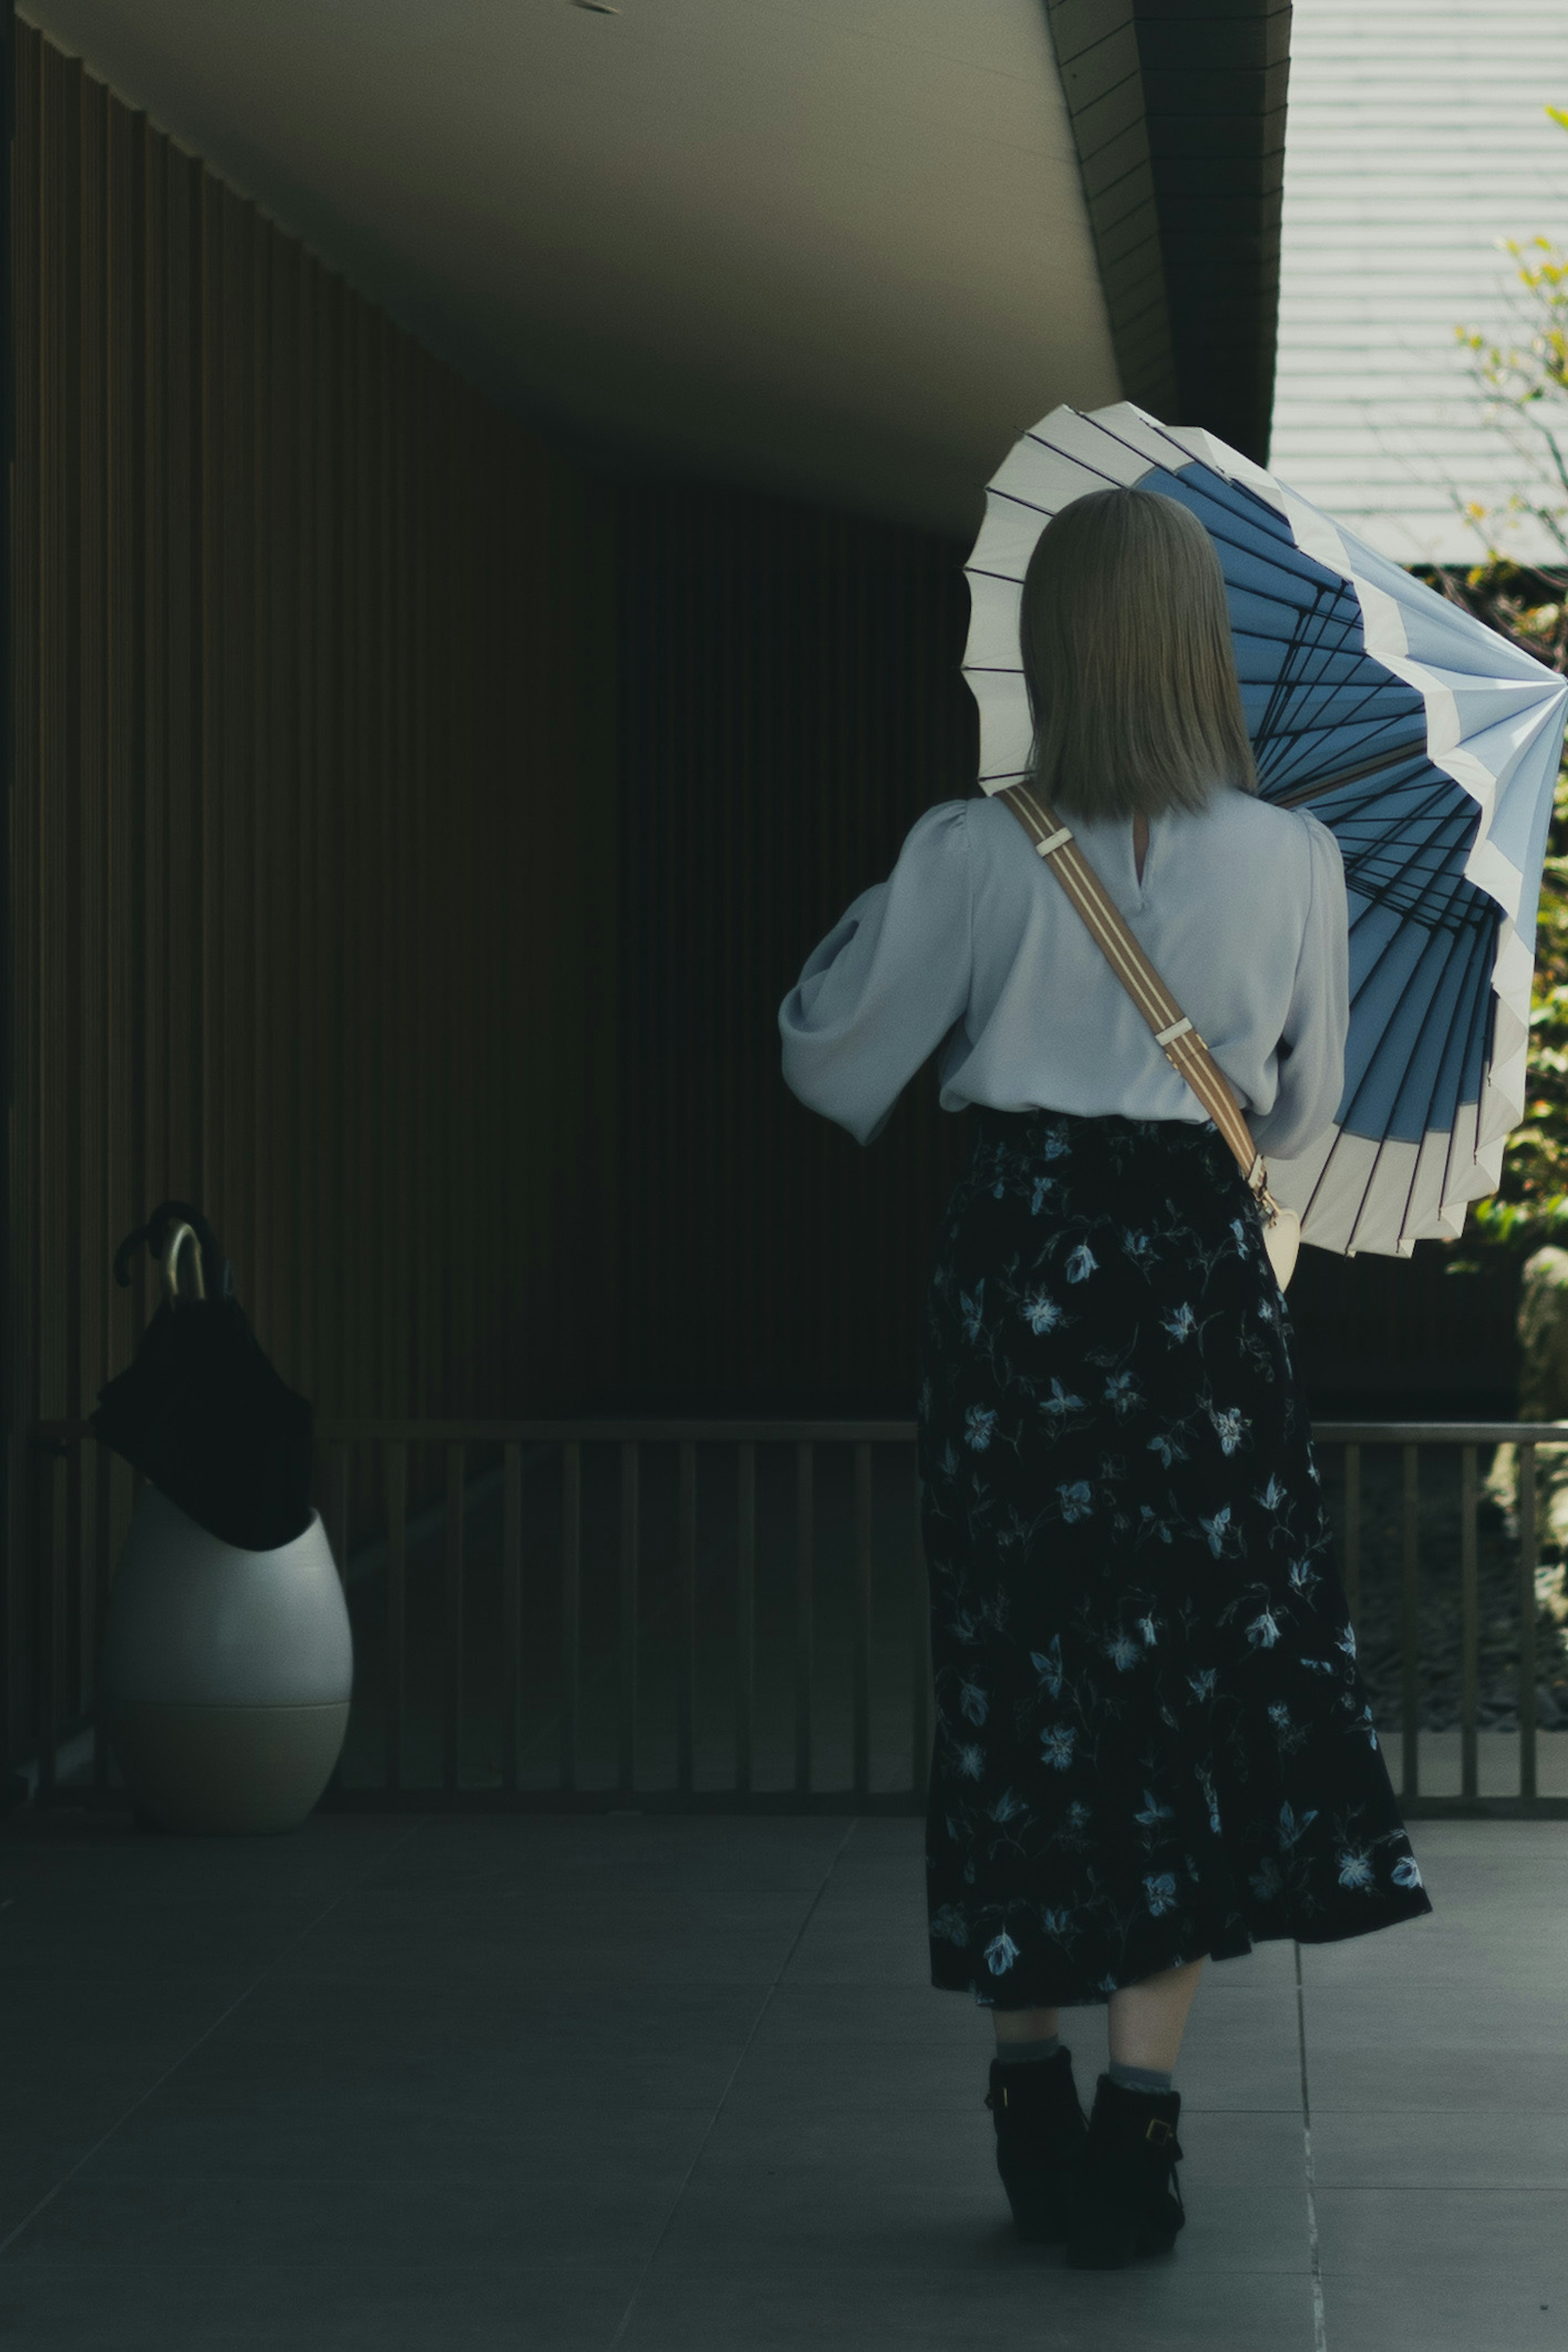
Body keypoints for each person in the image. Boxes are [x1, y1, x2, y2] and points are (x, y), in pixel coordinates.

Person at [776, 484, 1434, 2270]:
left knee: (1021, 1672)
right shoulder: (1297, 857)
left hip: (1020, 1298)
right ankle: (1143, 2124)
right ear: (1200, 646)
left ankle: (1028, 2088)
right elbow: (1296, 1117)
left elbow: (831, 1058)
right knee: (1191, 1690)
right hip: (1195, 1305)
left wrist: (901, 910)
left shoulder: (977, 852)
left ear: (1052, 649)